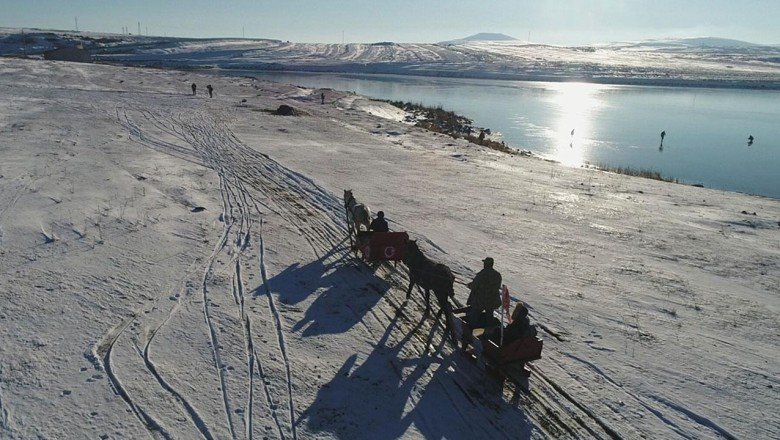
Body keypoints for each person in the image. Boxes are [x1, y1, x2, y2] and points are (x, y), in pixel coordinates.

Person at [466, 257, 502, 328]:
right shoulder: (497, 275)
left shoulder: (481, 274)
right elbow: (497, 286)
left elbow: (474, 285)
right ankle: (490, 329)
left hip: (480, 301)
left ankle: (472, 329)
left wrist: (469, 285)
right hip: (492, 300)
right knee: (489, 315)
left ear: (485, 264)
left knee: (474, 315)